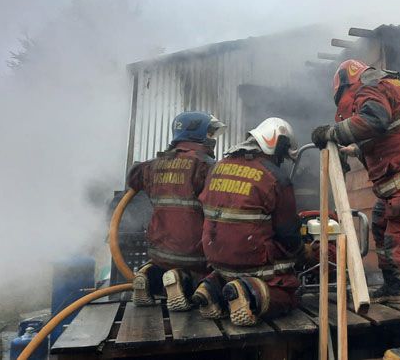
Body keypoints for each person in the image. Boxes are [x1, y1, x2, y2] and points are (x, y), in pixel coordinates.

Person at [311, 59, 400, 360]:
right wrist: (356, 149)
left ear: (345, 86)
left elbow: (375, 120)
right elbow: (391, 130)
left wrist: (333, 132)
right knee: (381, 221)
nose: (346, 108)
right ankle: (395, 287)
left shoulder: (368, 88)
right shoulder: (388, 86)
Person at [193, 117, 304, 326]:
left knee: (229, 273)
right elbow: (288, 235)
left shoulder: (217, 167)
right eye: (282, 156)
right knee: (290, 290)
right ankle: (249, 293)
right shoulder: (276, 178)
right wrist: (303, 251)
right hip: (248, 260)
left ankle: (212, 289)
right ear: (278, 146)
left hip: (216, 260)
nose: (281, 161)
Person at [127, 112, 225, 311]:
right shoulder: (207, 167)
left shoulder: (153, 165)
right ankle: (181, 279)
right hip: (195, 255)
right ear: (197, 134)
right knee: (215, 280)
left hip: (160, 254)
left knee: (161, 268)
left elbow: (132, 176)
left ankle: (148, 277)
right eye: (210, 133)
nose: (212, 139)